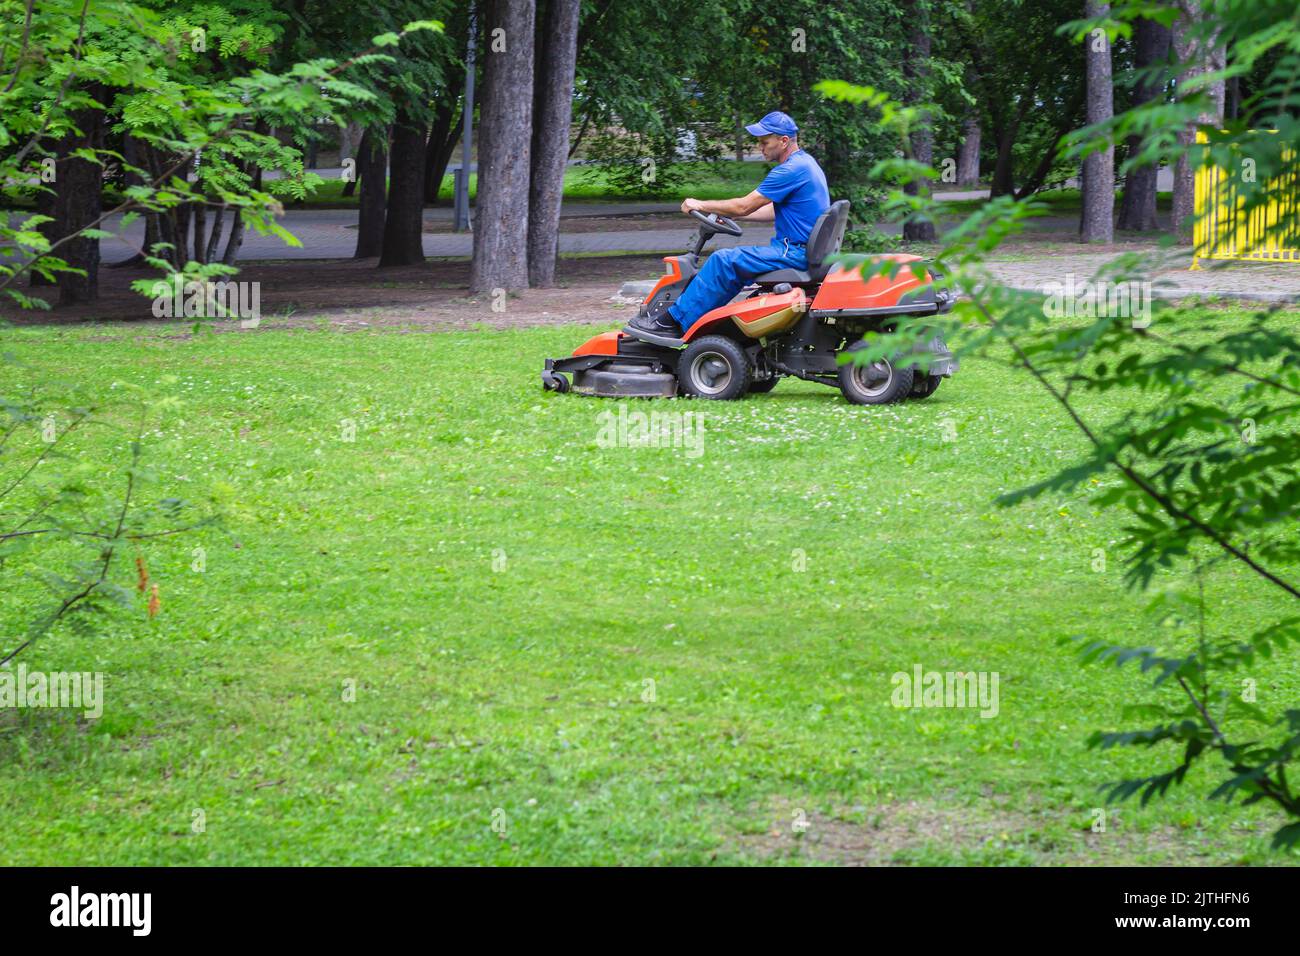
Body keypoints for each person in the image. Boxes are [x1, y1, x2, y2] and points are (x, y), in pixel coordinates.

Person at [625, 111, 830, 340]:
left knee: (723, 261)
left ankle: (671, 323)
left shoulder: (789, 170)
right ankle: (709, 326)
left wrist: (700, 204)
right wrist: (736, 216)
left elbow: (743, 205)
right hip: (802, 251)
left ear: (783, 141)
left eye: (764, 142)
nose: (760, 147)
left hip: (793, 252)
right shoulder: (806, 163)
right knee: (732, 264)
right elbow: (771, 210)